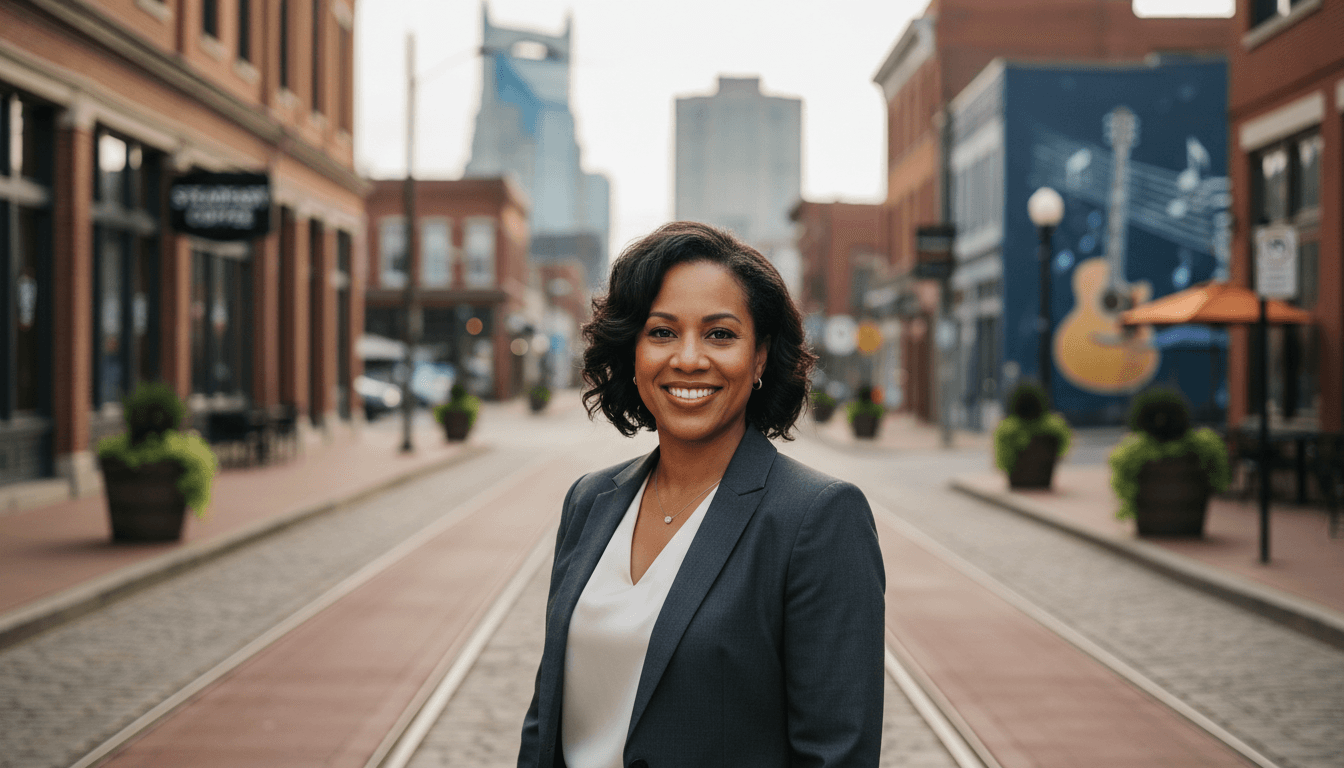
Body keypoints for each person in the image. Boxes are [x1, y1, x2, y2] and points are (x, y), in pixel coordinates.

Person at [518, 222, 886, 768]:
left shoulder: (819, 518)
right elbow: (545, 721)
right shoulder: (589, 502)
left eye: (720, 334)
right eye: (662, 332)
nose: (688, 359)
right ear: (632, 351)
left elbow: (837, 754)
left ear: (760, 357)